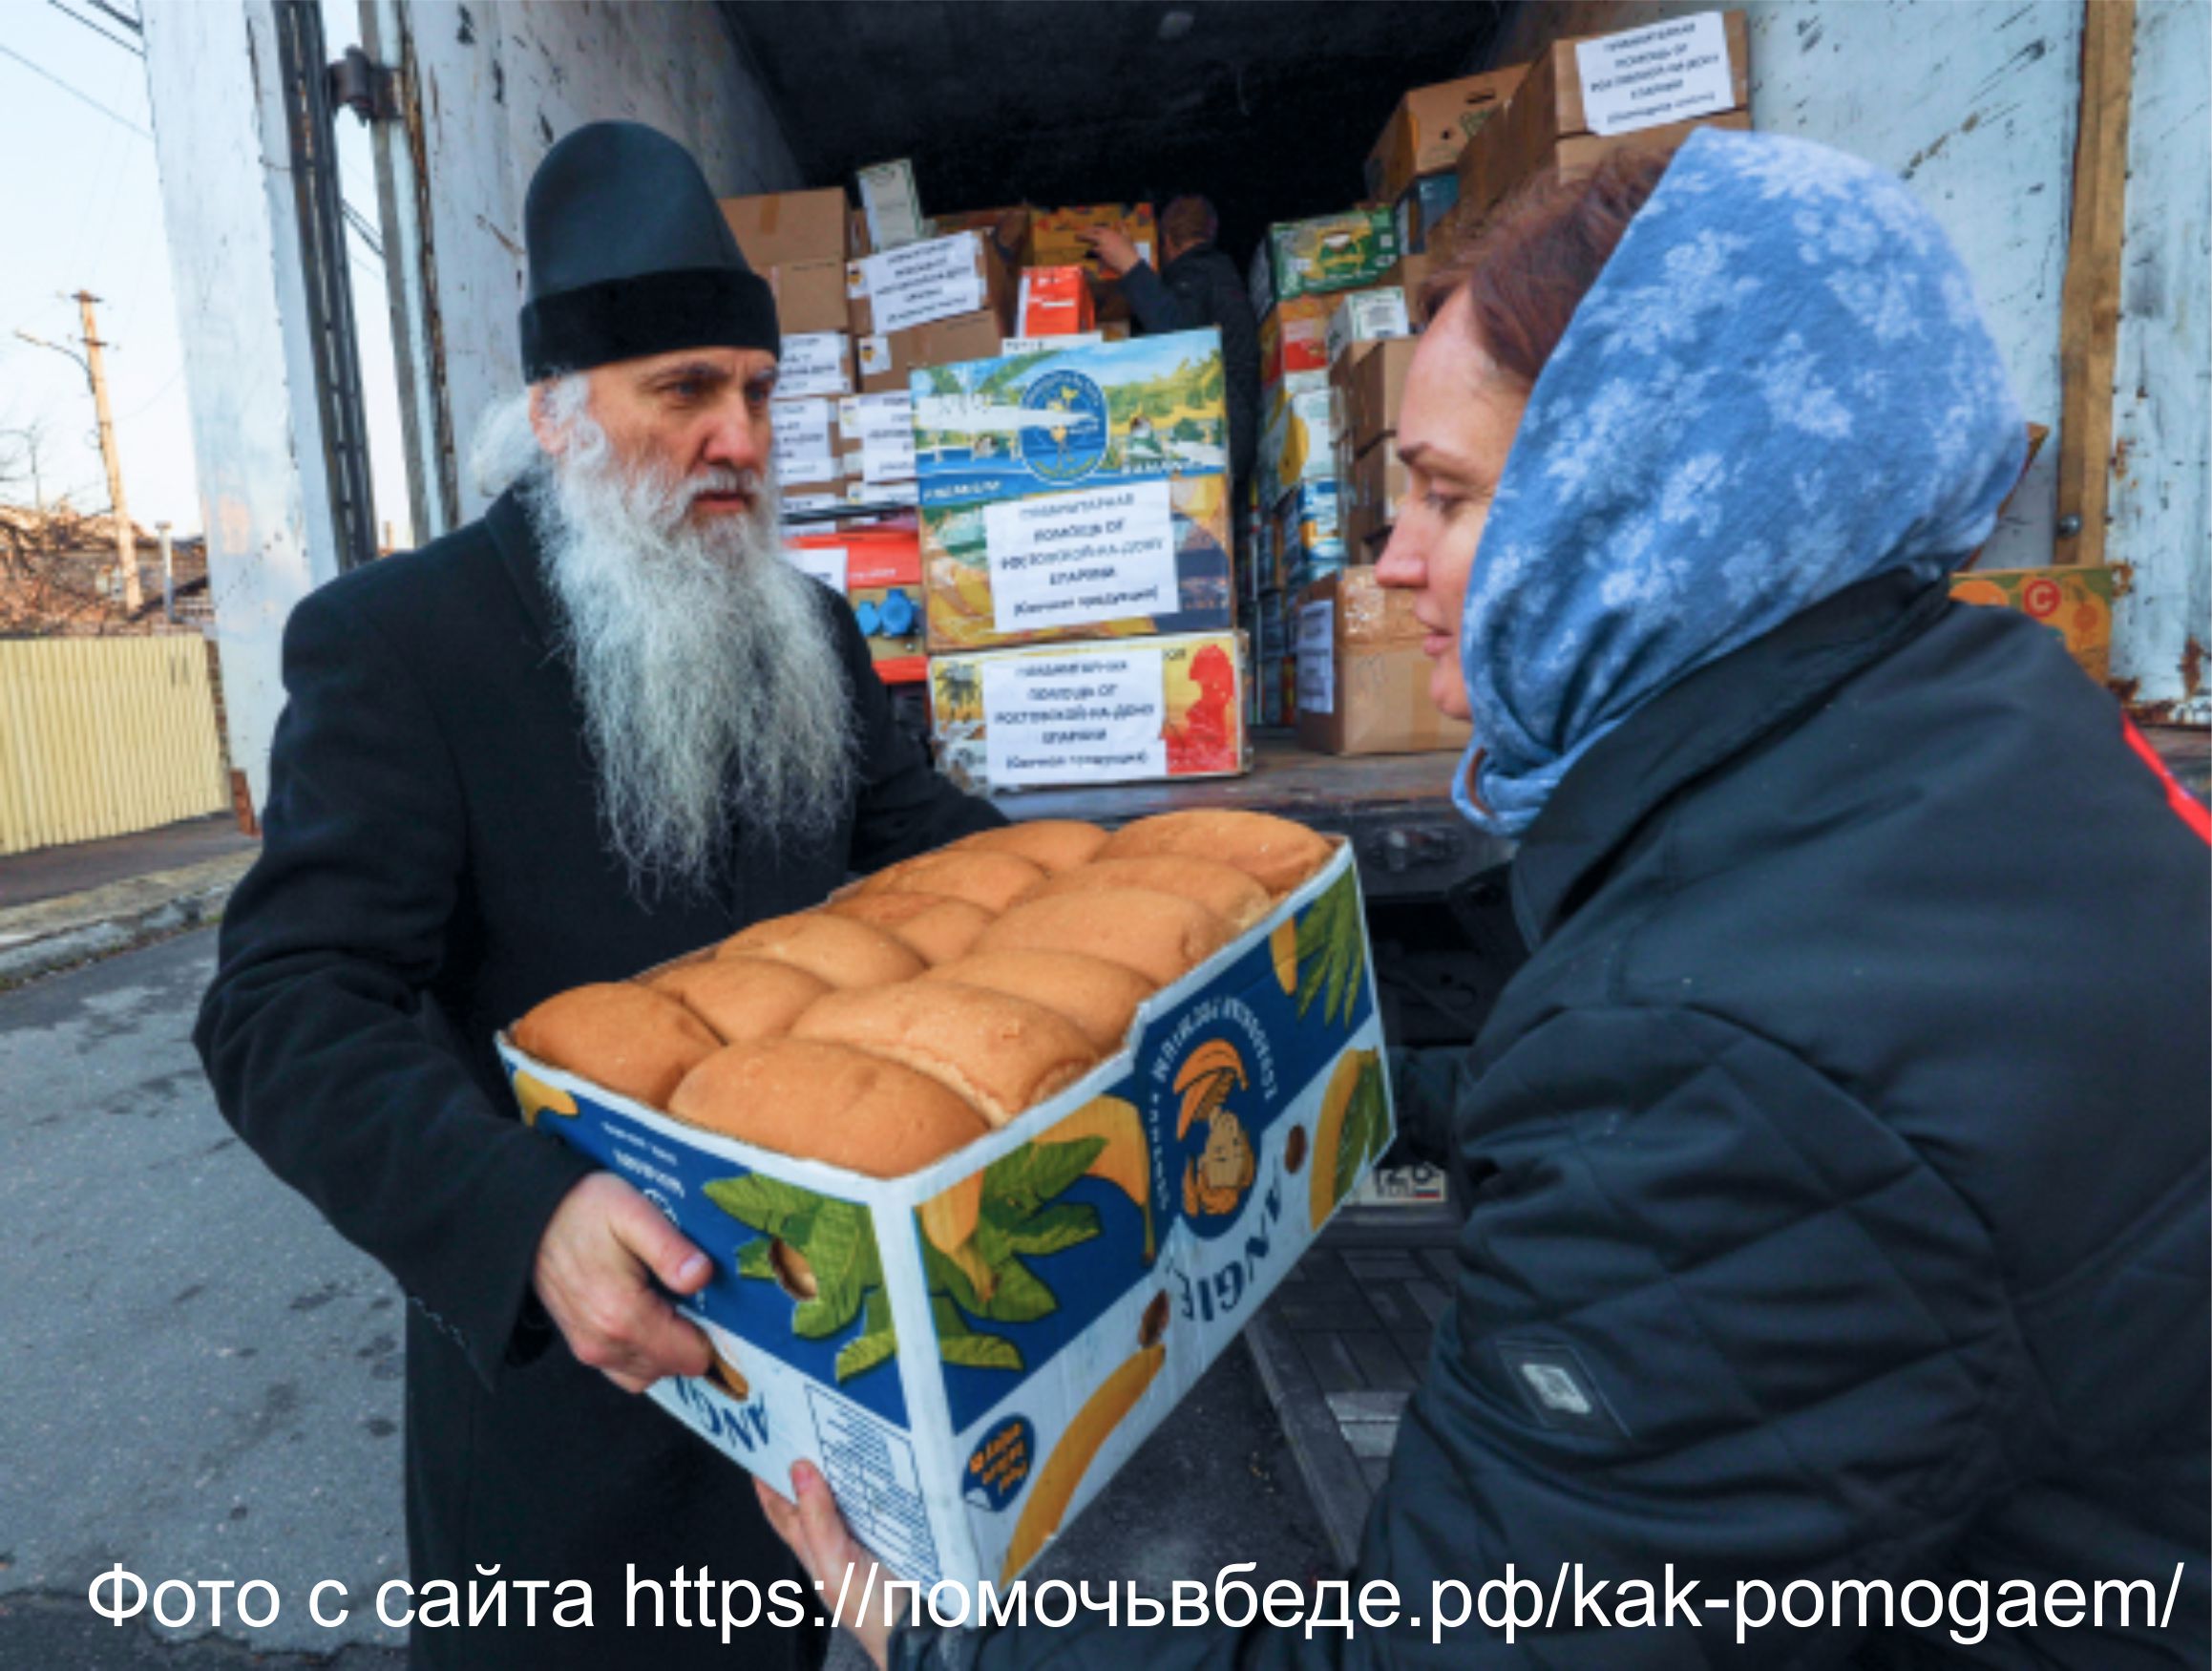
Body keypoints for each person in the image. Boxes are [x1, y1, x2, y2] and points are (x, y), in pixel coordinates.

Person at [760, 129, 2210, 1667]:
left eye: (1444, 496)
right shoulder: (1986, 720)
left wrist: (948, 1638)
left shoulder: (1697, 1069)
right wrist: (1385, 1092)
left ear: (1648, 512)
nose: (1390, 566)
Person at [194, 120, 1003, 1671]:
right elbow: (285, 1004)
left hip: (809, 1388)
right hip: (572, 1416)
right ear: (560, 415)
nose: (741, 441)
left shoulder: (808, 629)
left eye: (756, 392)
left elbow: (939, 862)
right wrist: (522, 1216)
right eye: (684, 394)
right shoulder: (403, 643)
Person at [1080, 196, 1260, 492]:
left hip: (1216, 431)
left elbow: (1182, 339)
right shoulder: (1221, 278)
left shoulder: (1196, 276)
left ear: (1165, 242)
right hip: (1228, 432)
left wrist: (1130, 264)